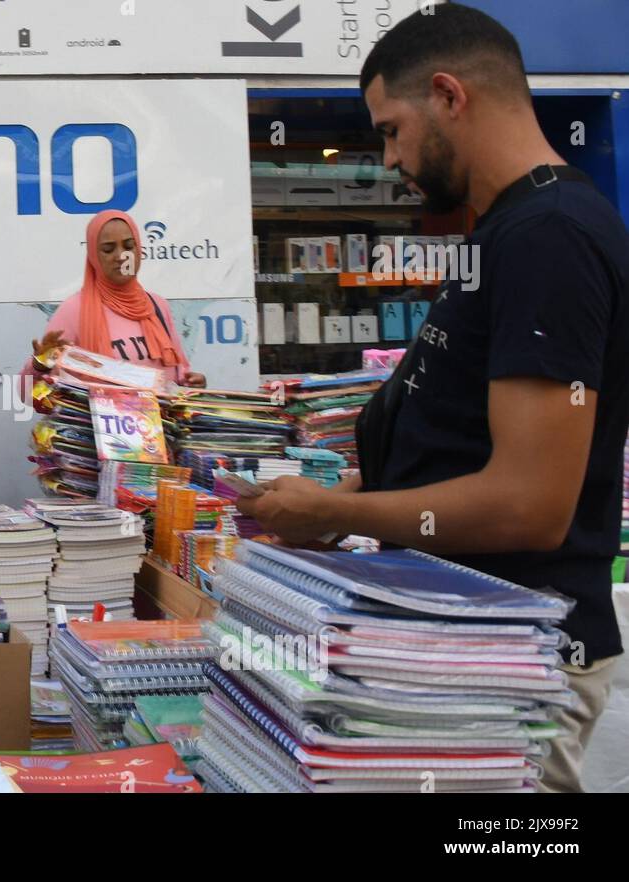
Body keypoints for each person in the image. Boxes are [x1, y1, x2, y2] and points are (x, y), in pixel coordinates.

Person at [237, 5, 629, 793]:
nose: (388, 159)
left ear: (449, 95)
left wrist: (339, 514)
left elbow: (529, 503)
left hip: (512, 666)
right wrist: (345, 496)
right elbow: (464, 447)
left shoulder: (546, 238)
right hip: (468, 653)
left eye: (390, 129)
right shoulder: (511, 229)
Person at [26, 210, 206, 388]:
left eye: (128, 246)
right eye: (108, 249)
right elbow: (28, 393)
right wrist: (39, 366)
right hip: (96, 416)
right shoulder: (74, 310)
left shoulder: (157, 306)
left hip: (159, 417)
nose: (121, 256)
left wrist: (190, 382)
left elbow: (178, 373)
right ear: (94, 256)